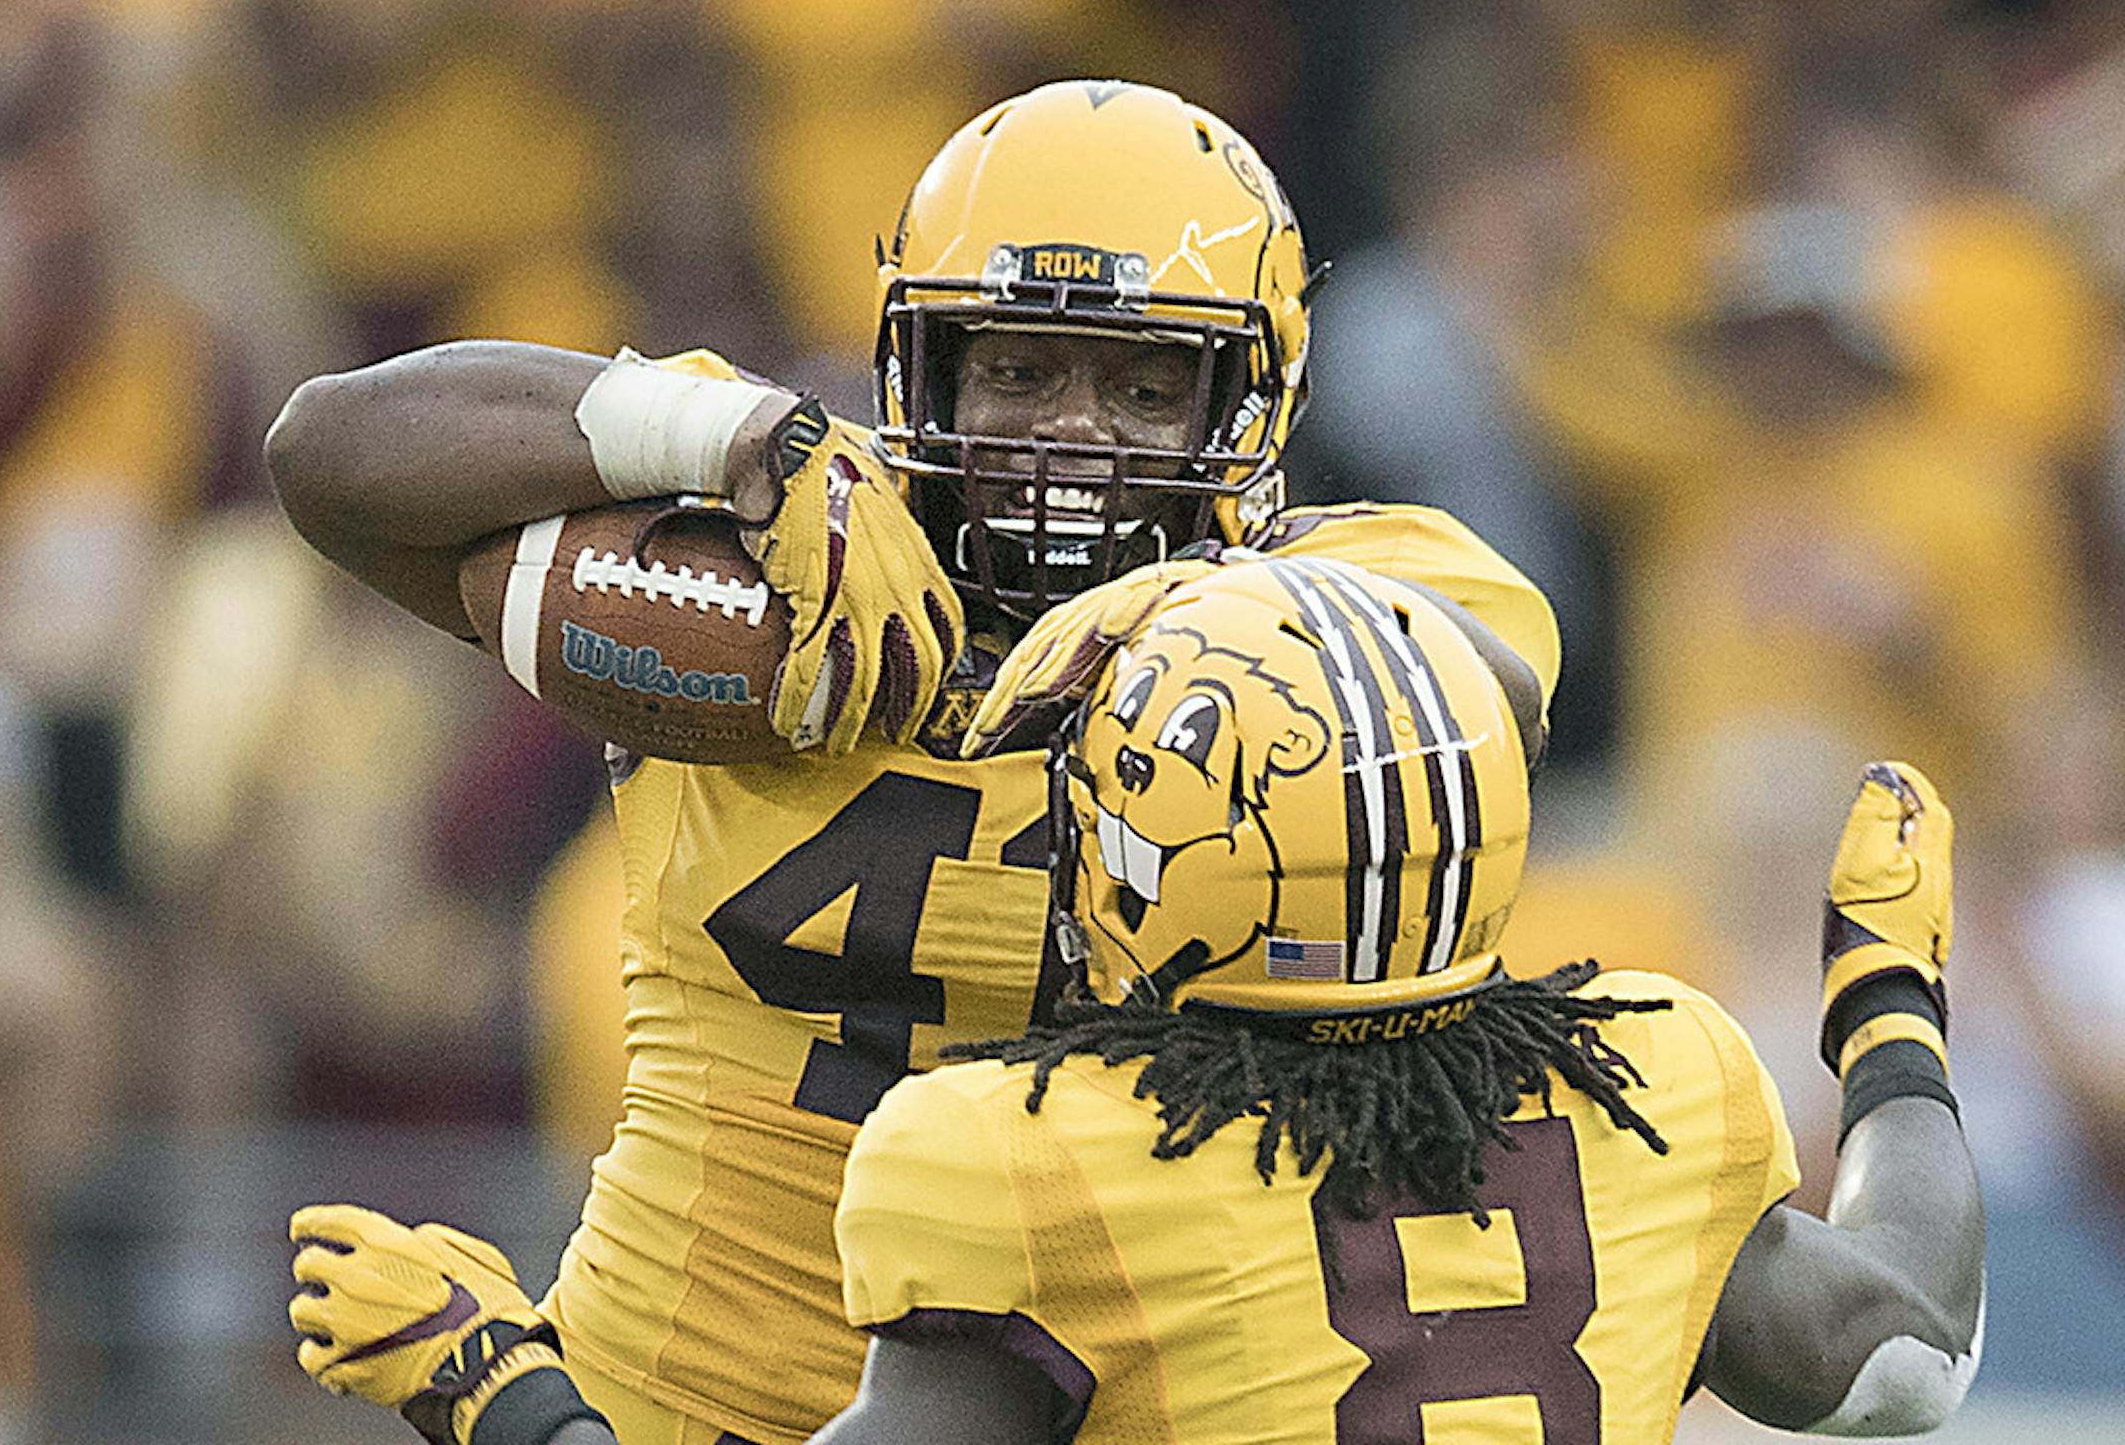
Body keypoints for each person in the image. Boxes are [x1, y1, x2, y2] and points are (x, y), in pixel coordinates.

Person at [269, 80, 1562, 1445]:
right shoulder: (778, 544)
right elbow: (326, 453)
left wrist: (1185, 636)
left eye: (1141, 386)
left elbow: (1503, 698)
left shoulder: (1354, 600)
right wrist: (728, 436)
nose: (1072, 431)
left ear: (1247, 401)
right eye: (1017, 371)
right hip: (668, 1384)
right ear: (922, 371)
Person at [288, 559, 1984, 1444]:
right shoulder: (1658, 1077)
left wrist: (498, 1391)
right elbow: (1912, 1358)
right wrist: (1890, 1013)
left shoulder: (1033, 1156)